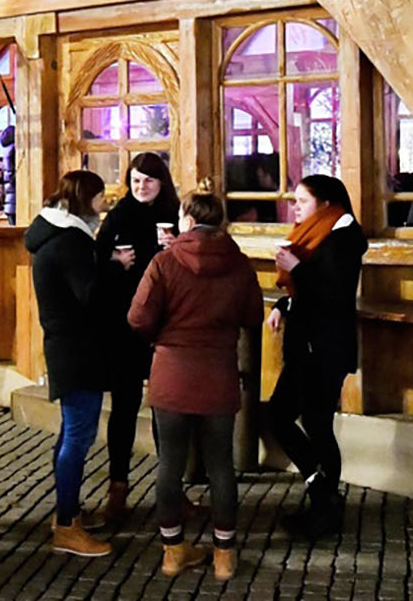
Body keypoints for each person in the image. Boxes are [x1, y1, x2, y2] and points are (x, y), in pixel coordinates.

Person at [128, 192, 263, 581]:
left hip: (171, 372)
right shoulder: (238, 265)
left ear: (186, 219)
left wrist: (163, 335)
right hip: (218, 372)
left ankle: (173, 551)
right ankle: (224, 555)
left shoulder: (164, 262)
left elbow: (137, 317)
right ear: (220, 223)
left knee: (170, 464)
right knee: (220, 464)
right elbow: (253, 314)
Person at [267, 174, 368, 540]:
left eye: (302, 201)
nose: (295, 208)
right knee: (285, 417)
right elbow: (307, 289)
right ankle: (323, 493)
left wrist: (297, 269)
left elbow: (334, 293)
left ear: (325, 203)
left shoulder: (344, 236)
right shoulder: (314, 233)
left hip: (324, 347)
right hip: (307, 345)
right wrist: (284, 302)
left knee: (313, 423)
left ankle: (324, 502)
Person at [26, 170, 116, 557]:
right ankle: (66, 524)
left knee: (71, 432)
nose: (103, 205)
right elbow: (91, 295)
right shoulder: (72, 241)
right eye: (99, 198)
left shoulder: (53, 232)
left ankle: (69, 512)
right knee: (78, 435)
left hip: (65, 344)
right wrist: (114, 266)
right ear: (85, 199)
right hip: (77, 349)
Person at [90, 153, 179, 525]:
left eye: (148, 181)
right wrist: (113, 261)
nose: (141, 187)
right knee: (125, 407)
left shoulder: (173, 214)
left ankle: (171, 493)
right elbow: (94, 262)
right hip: (124, 326)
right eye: (136, 180)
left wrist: (179, 248)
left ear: (162, 184)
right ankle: (118, 489)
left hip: (165, 324)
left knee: (166, 409)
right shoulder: (120, 215)